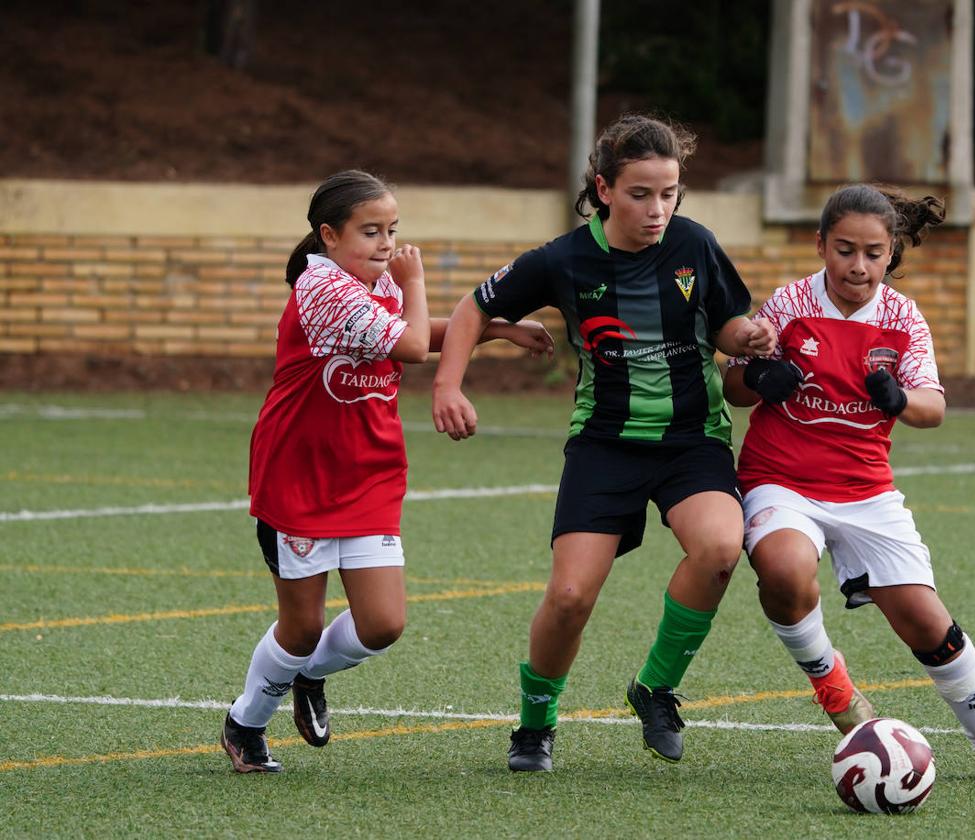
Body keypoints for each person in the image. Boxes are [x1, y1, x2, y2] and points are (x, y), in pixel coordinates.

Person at [431, 114, 777, 772]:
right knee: (569, 600)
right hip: (604, 446)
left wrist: (747, 337)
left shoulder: (696, 246)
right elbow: (477, 306)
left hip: (691, 440)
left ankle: (655, 689)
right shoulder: (565, 259)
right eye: (641, 193)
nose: (657, 209)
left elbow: (729, 323)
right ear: (605, 187)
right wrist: (449, 385)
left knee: (720, 549)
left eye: (670, 193)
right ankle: (535, 724)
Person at [221, 170, 553, 773]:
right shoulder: (321, 287)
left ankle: (306, 676)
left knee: (382, 624)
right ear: (328, 235)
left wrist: (495, 329)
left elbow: (411, 334)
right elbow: (406, 345)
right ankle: (246, 724)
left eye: (392, 231)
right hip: (301, 475)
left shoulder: (377, 284)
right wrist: (418, 281)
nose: (384, 244)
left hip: (369, 472)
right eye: (370, 231)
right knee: (301, 628)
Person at [723, 183, 975, 782]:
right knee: (785, 571)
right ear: (820, 245)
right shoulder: (788, 303)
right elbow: (735, 384)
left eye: (872, 253)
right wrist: (763, 377)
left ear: (890, 254)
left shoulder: (902, 317)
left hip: (865, 488)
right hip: (779, 477)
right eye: (844, 250)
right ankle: (833, 689)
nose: (857, 266)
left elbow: (932, 407)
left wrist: (899, 399)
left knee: (923, 618)